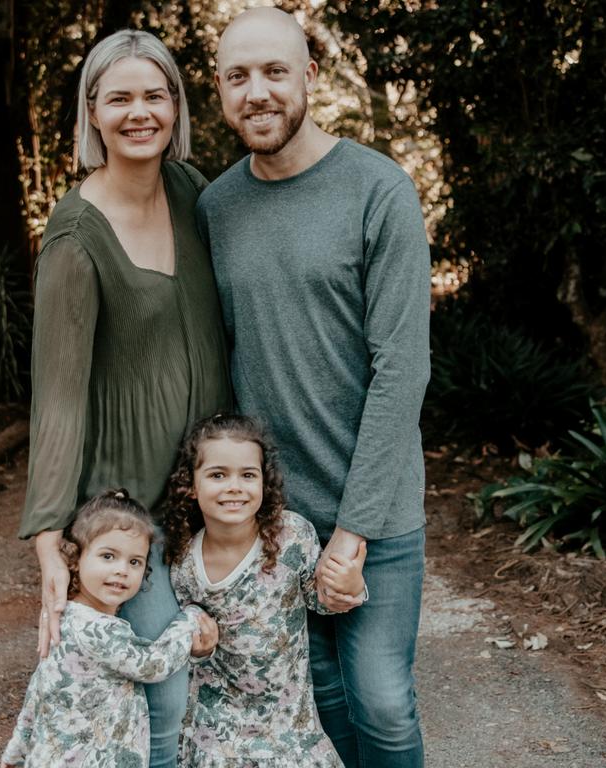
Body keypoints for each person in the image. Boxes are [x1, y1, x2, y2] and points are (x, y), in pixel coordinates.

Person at [196, 8, 431, 768]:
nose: (256, 92)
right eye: (238, 77)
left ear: (310, 78)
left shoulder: (378, 191)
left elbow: (403, 368)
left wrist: (353, 535)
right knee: (321, 705)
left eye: (273, 72)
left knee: (384, 705)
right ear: (221, 90)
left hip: (376, 516)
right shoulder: (216, 206)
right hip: (277, 524)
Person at [17, 29, 231, 768]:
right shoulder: (76, 235)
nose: (140, 112)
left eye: (155, 94)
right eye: (120, 98)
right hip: (126, 503)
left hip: (209, 493)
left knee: (221, 678)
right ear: (92, 113)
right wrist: (51, 535)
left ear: (176, 106)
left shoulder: (193, 190)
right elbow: (58, 395)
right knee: (161, 694)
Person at [163, 414, 367, 768]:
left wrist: (351, 588)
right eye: (217, 475)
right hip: (218, 732)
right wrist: (198, 646)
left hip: (287, 727)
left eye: (247, 475)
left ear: (264, 482)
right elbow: (192, 644)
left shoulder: (291, 537)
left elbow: (320, 600)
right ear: (191, 486)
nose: (234, 487)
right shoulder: (183, 562)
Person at [1, 490, 219, 768]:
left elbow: (38, 692)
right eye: (108, 556)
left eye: (134, 562)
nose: (121, 570)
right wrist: (190, 618)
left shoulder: (65, 618)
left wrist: (15, 751)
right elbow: (151, 664)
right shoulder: (97, 631)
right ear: (75, 559)